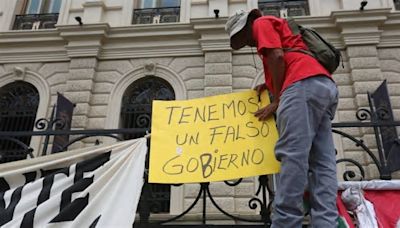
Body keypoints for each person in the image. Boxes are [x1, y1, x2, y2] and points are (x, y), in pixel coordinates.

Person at [225, 9, 339, 227]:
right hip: (323, 86)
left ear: (247, 24)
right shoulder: (280, 27)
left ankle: (286, 222)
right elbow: (286, 57)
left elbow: (277, 56)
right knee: (323, 163)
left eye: (240, 37)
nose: (246, 43)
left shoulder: (261, 23)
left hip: (300, 87)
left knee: (292, 156)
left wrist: (276, 100)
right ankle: (326, 222)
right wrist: (269, 85)